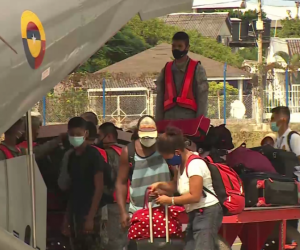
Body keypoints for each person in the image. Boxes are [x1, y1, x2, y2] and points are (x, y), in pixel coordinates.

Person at [151, 127, 223, 250]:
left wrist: (170, 201)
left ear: (177, 152)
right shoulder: (180, 165)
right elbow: (175, 185)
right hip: (195, 213)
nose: (168, 161)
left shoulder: (195, 165)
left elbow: (195, 196)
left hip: (207, 212)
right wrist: (160, 186)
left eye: (168, 158)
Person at [115, 115, 171, 230]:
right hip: (137, 212)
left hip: (165, 210)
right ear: (138, 133)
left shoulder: (164, 147)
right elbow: (121, 183)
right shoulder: (129, 151)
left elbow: (179, 174)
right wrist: (122, 212)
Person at [64, 117, 105, 250]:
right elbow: (72, 190)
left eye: (78, 134)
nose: (75, 137)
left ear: (86, 133)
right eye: (72, 135)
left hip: (91, 213)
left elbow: (99, 187)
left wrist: (91, 218)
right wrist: (66, 220)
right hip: (76, 214)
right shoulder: (71, 157)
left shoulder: (93, 155)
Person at [155, 31, 209, 121]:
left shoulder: (197, 69)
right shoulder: (166, 69)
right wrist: (158, 123)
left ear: (187, 47)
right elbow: (160, 97)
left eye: (180, 46)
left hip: (189, 121)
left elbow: (202, 99)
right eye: (174, 46)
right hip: (168, 120)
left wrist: (199, 125)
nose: (176, 49)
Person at [98, 122, 127, 250]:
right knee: (124, 240)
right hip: (126, 201)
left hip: (112, 202)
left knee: (111, 241)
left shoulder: (106, 154)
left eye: (100, 136)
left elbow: (108, 180)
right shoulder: (125, 151)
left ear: (108, 136)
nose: (98, 139)